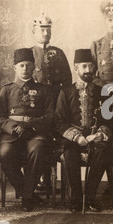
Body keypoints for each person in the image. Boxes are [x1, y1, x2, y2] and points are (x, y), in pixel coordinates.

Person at [54, 49, 113, 212]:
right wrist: (77, 137)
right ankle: (75, 198)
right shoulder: (65, 92)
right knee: (69, 154)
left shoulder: (103, 92)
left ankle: (90, 197)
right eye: (84, 66)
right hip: (73, 138)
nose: (88, 70)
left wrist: (101, 133)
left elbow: (109, 118)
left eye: (90, 66)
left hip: (95, 136)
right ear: (76, 68)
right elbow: (59, 121)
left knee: (102, 152)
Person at [0, 48, 54, 212]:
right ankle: (28, 192)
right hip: (11, 135)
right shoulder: (6, 90)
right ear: (15, 68)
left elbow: (50, 116)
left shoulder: (44, 89)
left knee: (38, 149)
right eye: (21, 65)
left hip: (35, 133)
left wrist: (31, 124)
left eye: (28, 65)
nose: (25, 69)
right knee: (4, 154)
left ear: (34, 67)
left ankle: (26, 197)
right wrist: (14, 128)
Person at [31, 12, 72, 191]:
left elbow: (67, 81)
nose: (46, 33)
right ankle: (43, 178)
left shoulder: (59, 53)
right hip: (37, 105)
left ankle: (61, 180)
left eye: (48, 29)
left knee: (57, 137)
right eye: (42, 30)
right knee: (40, 137)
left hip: (56, 103)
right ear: (34, 31)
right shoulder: (29, 54)